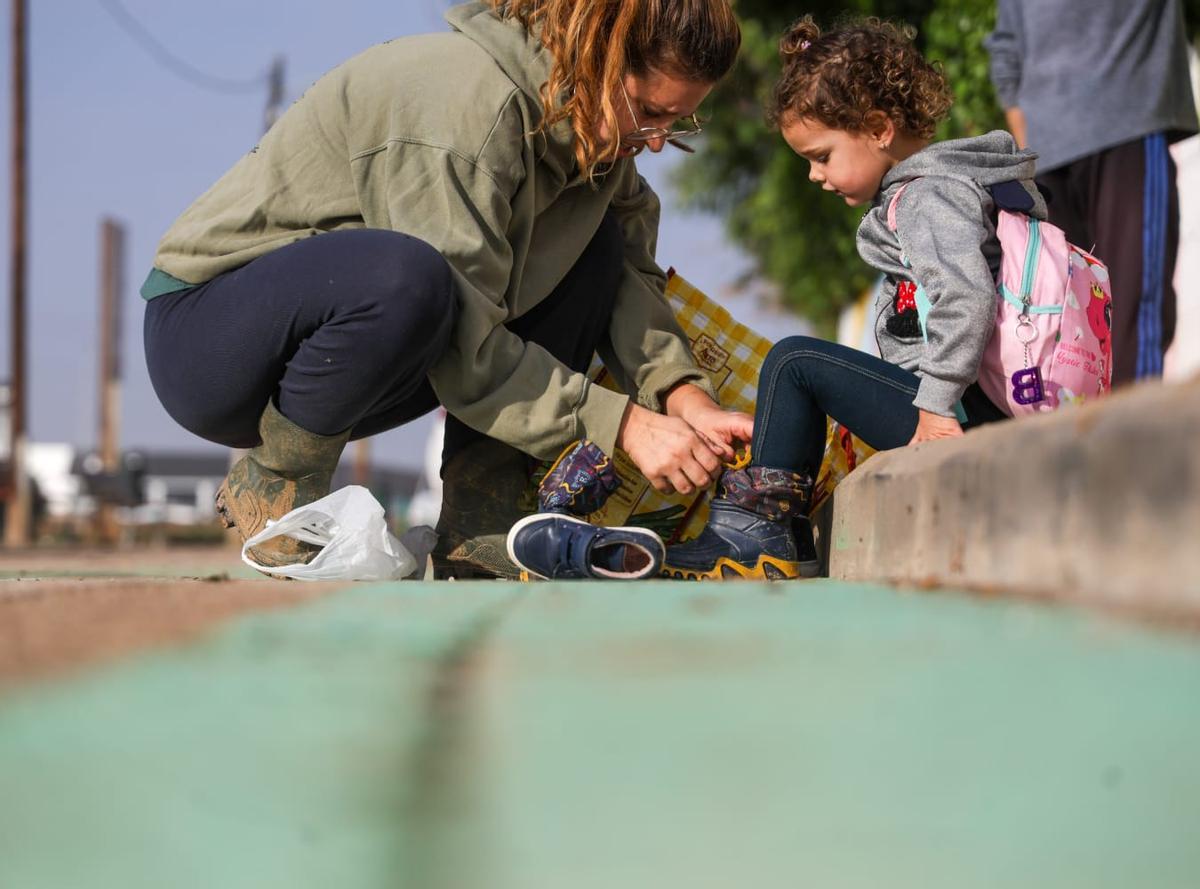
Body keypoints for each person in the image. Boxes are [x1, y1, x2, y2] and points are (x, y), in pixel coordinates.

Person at [140, 0, 753, 577]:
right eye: (649, 111)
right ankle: (276, 487)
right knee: (408, 276)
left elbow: (628, 281)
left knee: (595, 250)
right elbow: (465, 343)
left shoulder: (593, 144)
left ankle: (482, 523)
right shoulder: (464, 111)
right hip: (207, 342)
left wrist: (682, 397)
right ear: (595, 58)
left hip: (355, 352)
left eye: (677, 120)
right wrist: (625, 427)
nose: (653, 141)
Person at [664, 16, 1022, 580]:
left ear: (878, 127)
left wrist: (932, 407)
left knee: (795, 363)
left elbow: (966, 299)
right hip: (971, 404)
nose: (813, 175)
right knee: (801, 364)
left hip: (961, 413)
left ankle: (756, 532)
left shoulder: (928, 198)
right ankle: (774, 529)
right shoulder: (939, 190)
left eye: (822, 155)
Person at [985, 0, 1198, 385]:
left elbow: (1006, 51)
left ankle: (1097, 434)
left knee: (1073, 321)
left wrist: (1034, 142)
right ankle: (1131, 433)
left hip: (1053, 144)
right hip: (1126, 122)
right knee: (1130, 314)